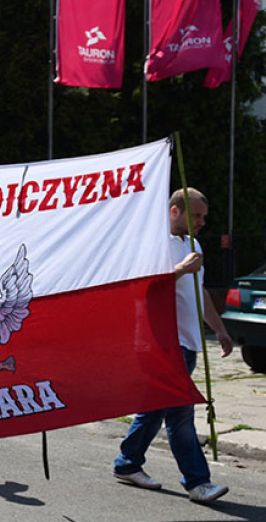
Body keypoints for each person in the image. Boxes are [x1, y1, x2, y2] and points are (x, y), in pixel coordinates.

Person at [112, 188, 234, 503]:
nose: (202, 222)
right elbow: (141, 288)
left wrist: (219, 329)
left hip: (188, 342)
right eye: (196, 215)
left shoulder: (192, 244)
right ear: (174, 211)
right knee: (180, 414)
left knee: (154, 409)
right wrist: (181, 269)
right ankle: (197, 482)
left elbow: (199, 291)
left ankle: (127, 464)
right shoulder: (151, 242)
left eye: (204, 216)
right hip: (161, 342)